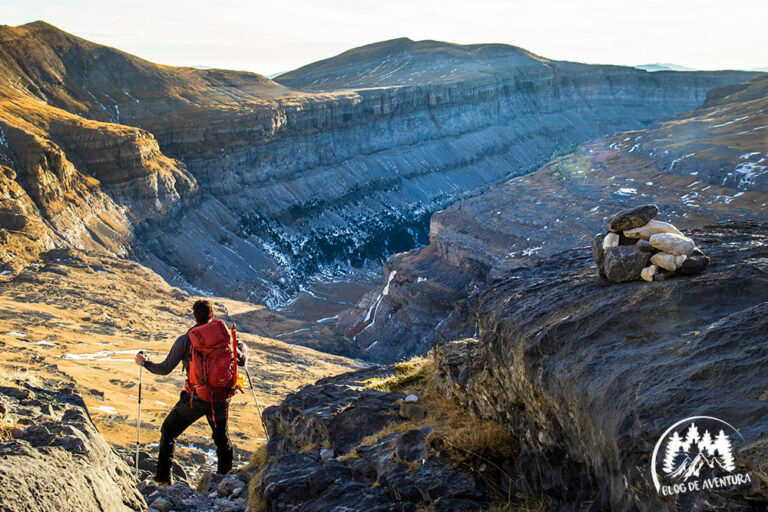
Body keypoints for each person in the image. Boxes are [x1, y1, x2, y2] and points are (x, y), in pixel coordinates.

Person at [135, 299, 247, 485]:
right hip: (220, 398)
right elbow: (241, 361)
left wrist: (145, 362)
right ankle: (224, 482)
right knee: (221, 439)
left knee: (169, 430)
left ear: (194, 316)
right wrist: (243, 348)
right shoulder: (224, 336)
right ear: (212, 315)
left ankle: (163, 480)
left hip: (195, 399)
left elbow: (165, 368)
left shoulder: (186, 340)